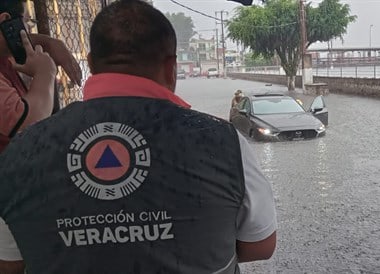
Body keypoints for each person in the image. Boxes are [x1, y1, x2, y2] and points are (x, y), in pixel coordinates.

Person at [0, 1, 277, 273]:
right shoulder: (223, 141)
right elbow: (261, 245)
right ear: (171, 67)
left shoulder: (20, 150)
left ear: (92, 65)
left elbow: (9, 262)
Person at [0, 1, 82, 273]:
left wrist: (46, 40)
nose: (25, 32)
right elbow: (28, 126)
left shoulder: (6, 59)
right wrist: (46, 74)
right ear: (6, 21)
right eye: (22, 24)